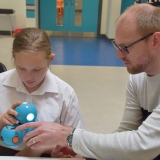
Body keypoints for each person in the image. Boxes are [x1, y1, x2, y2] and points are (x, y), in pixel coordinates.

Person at [16, 3, 160, 160]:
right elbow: (125, 133)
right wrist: (84, 151)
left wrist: (68, 136)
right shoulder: (137, 79)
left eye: (125, 47)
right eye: (117, 46)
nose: (118, 55)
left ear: (155, 40)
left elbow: (142, 146)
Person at [0, 28, 84, 157]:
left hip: (46, 153)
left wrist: (57, 151)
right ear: (13, 57)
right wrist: (1, 121)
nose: (28, 77)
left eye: (37, 69)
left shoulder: (65, 94)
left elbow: (77, 142)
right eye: (21, 68)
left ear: (50, 59)